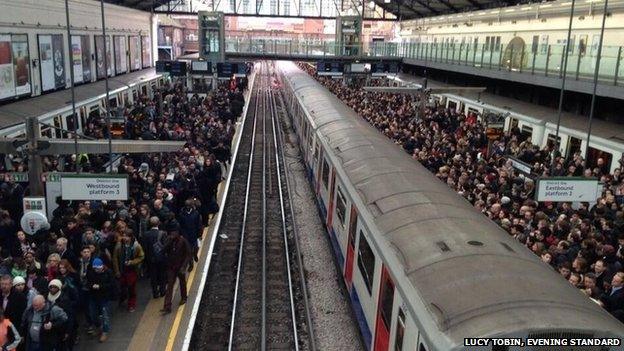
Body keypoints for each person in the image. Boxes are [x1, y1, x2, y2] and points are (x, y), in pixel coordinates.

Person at [160, 223, 192, 314]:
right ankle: (167, 306)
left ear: (178, 233)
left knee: (182, 282)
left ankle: (184, 297)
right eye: (171, 233)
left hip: (180, 266)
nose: (172, 235)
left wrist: (184, 267)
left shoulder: (183, 241)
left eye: (174, 233)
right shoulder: (169, 241)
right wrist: (168, 242)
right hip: (171, 267)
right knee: (170, 285)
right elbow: (163, 250)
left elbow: (188, 254)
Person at [112, 230, 144, 313]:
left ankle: (131, 304)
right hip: (122, 269)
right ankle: (123, 298)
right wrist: (117, 271)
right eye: (124, 236)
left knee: (131, 288)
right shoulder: (119, 245)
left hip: (132, 270)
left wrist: (132, 262)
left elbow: (141, 257)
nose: (125, 238)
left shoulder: (136, 246)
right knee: (122, 286)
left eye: (127, 236)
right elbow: (115, 258)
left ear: (131, 237)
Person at [86, 258, 113, 343]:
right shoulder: (91, 273)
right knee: (93, 314)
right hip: (93, 297)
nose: (96, 270)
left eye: (98, 268)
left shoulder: (108, 273)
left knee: (105, 315)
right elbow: (87, 283)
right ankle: (99, 327)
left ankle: (105, 331)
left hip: (104, 297)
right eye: (95, 268)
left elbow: (111, 285)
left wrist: (100, 286)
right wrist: (92, 286)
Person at [143, 217, 167, 298]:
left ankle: (155, 293)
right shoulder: (163, 233)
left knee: (153, 276)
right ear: (158, 223)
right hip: (161, 258)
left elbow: (145, 248)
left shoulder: (146, 234)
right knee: (162, 274)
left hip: (151, 259)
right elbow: (165, 246)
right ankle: (162, 291)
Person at [177, 199, 203, 264]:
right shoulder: (181, 214)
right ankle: (191, 263)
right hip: (186, 235)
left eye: (189, 206)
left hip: (195, 234)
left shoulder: (196, 213)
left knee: (196, 247)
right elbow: (180, 225)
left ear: (191, 206)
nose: (187, 207)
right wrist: (182, 234)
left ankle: (195, 254)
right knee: (189, 250)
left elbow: (199, 224)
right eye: (186, 206)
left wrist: (199, 234)